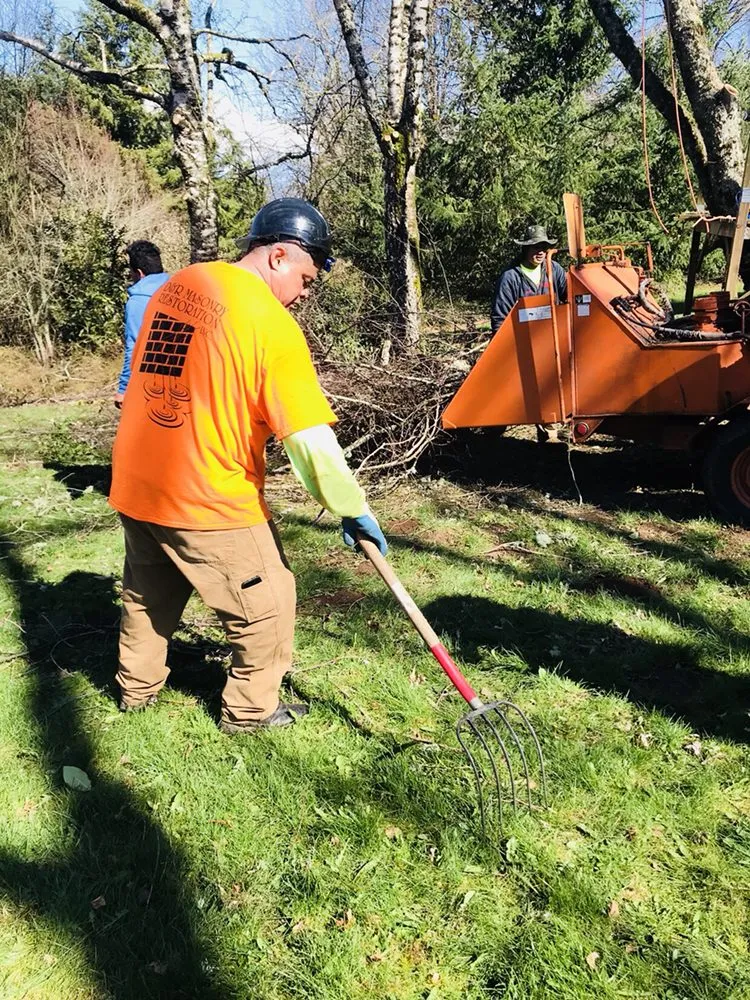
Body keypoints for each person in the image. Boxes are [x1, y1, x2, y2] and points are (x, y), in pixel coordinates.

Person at [108, 198, 388, 734]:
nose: (305, 294)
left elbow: (164, 376)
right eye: (307, 278)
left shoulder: (182, 287)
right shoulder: (270, 324)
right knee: (269, 603)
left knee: (149, 595)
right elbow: (308, 437)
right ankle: (251, 711)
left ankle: (134, 691)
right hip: (206, 494)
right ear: (279, 256)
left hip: (140, 481)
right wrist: (350, 508)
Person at [491, 223, 568, 443]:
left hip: (550, 342)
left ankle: (550, 432)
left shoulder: (555, 271)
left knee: (550, 386)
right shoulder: (510, 277)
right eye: (535, 247)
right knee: (515, 391)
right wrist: (503, 352)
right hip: (521, 344)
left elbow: (567, 299)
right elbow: (500, 317)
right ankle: (494, 427)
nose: (540, 251)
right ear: (525, 249)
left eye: (544, 246)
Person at [114, 240, 170, 408]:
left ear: (139, 272)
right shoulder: (178, 289)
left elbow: (135, 346)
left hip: (150, 385)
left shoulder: (138, 301)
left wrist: (123, 389)